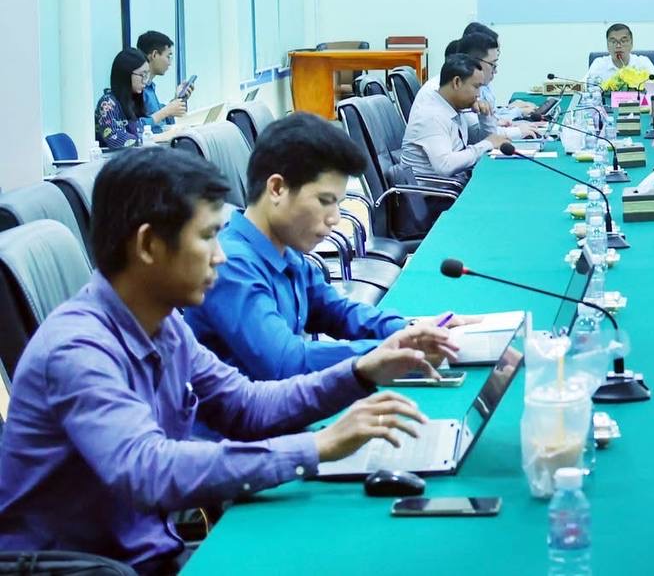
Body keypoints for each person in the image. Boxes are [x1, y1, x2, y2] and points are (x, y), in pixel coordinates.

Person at [0, 149, 451, 573]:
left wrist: (360, 371)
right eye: (207, 237)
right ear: (149, 245)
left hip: (148, 553)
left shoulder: (164, 324)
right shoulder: (77, 350)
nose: (220, 255)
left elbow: (246, 405)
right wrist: (317, 447)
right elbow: (149, 469)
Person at [185, 113, 462, 380]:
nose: (335, 218)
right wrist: (398, 350)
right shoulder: (230, 265)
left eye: (338, 203)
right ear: (277, 188)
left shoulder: (285, 249)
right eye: (324, 201)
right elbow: (285, 363)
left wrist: (409, 329)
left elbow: (336, 311)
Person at [402, 54, 501, 184]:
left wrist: (485, 116)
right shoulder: (431, 115)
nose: (478, 94)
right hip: (435, 194)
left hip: (454, 184)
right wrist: (487, 144)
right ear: (457, 82)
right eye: (476, 87)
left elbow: (490, 142)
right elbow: (445, 166)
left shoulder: (453, 107)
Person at [455, 32, 540, 141]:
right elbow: (478, 137)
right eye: (492, 64)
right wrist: (517, 131)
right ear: (475, 62)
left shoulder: (474, 85)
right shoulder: (459, 89)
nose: (495, 71)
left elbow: (485, 136)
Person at [95, 48, 149, 149]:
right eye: (142, 75)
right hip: (112, 158)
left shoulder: (132, 100)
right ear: (126, 74)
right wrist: (149, 140)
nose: (145, 81)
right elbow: (117, 140)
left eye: (147, 75)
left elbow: (141, 133)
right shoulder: (107, 104)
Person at [135, 30, 190, 131]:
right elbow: (136, 127)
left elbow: (162, 121)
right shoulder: (137, 89)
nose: (170, 63)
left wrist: (177, 99)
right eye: (168, 56)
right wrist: (166, 111)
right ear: (154, 55)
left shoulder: (150, 88)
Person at [585, 23, 654, 84]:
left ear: (631, 44)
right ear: (607, 45)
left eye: (623, 41)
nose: (618, 46)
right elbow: (581, 86)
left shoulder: (642, 62)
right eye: (613, 42)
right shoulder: (599, 64)